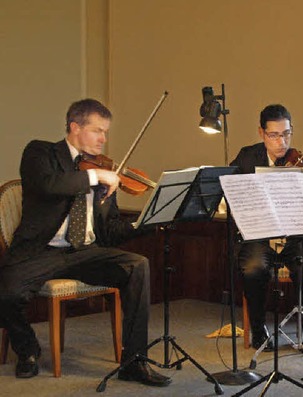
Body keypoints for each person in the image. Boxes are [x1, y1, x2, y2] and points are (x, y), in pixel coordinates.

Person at [0, 99, 171, 386]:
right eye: (97, 131)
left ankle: (134, 361)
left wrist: (144, 224)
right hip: (40, 251)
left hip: (85, 252)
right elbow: (48, 184)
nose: (104, 139)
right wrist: (93, 176)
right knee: (7, 292)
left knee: (136, 265)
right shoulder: (40, 153)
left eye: (106, 132)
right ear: (75, 127)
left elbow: (111, 232)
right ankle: (27, 349)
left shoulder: (108, 173)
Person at [230, 104, 303, 352]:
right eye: (274, 135)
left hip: (297, 235)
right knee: (253, 268)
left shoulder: (302, 163)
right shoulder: (247, 158)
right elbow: (231, 191)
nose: (282, 142)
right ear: (261, 133)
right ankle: (259, 330)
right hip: (261, 235)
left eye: (287, 134)